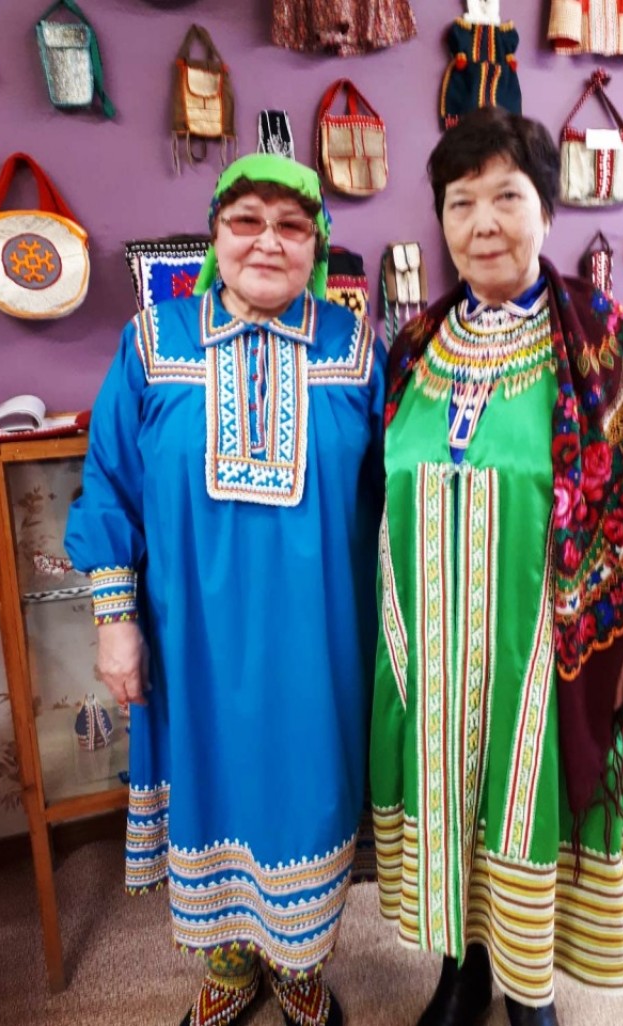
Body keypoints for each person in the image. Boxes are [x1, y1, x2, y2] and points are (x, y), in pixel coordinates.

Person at [369, 107, 623, 1026]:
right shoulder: (413, 348)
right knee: (452, 804)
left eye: (506, 197)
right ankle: (461, 969)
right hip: (438, 657)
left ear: (547, 209)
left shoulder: (603, 341)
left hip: (547, 653)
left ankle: (532, 992)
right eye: (460, 203)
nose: (483, 223)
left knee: (531, 801)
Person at [65, 153, 385, 1026]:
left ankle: (299, 962)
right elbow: (110, 486)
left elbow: (401, 490)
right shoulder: (153, 342)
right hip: (193, 644)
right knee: (213, 793)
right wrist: (115, 623)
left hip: (319, 643)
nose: (268, 241)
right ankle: (233, 965)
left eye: (292, 225)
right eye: (247, 220)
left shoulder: (357, 348)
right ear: (215, 234)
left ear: (317, 243)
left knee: (310, 795)